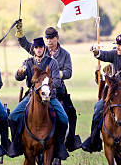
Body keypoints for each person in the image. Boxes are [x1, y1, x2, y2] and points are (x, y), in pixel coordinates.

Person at [16, 21, 80, 150]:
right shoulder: (40, 50)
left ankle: (70, 141)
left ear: (57, 38)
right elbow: (25, 44)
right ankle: (19, 143)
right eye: (47, 38)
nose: (49, 41)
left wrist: (54, 77)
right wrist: (20, 33)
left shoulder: (64, 54)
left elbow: (69, 72)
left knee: (71, 113)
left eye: (51, 38)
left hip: (58, 88)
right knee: (17, 114)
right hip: (37, 91)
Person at [7, 37, 69, 160]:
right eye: (36, 47)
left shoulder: (52, 62)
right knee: (13, 116)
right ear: (33, 49)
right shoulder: (28, 62)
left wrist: (46, 87)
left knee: (64, 118)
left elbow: (56, 81)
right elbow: (18, 78)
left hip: (50, 96)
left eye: (41, 47)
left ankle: (60, 145)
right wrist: (19, 72)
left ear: (44, 49)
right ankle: (16, 144)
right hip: (32, 97)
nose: (39, 50)